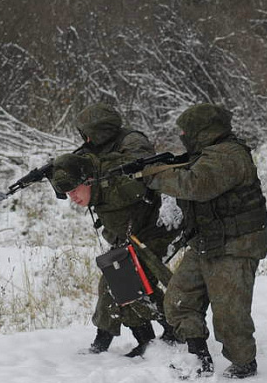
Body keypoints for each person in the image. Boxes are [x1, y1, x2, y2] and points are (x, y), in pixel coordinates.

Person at [143, 103, 267, 379]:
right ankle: (197, 356)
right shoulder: (205, 154)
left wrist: (154, 176)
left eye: (187, 130)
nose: (183, 135)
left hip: (237, 243)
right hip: (206, 241)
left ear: (204, 130)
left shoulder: (229, 155)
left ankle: (243, 363)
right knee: (179, 300)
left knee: (229, 313)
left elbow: (196, 185)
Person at [52, 103, 178, 357]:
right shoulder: (93, 150)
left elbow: (134, 170)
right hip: (127, 229)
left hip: (153, 224)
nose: (85, 140)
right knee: (116, 282)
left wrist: (92, 168)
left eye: (88, 133)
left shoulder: (132, 141)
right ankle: (137, 338)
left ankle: (172, 331)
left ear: (101, 130)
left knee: (131, 282)